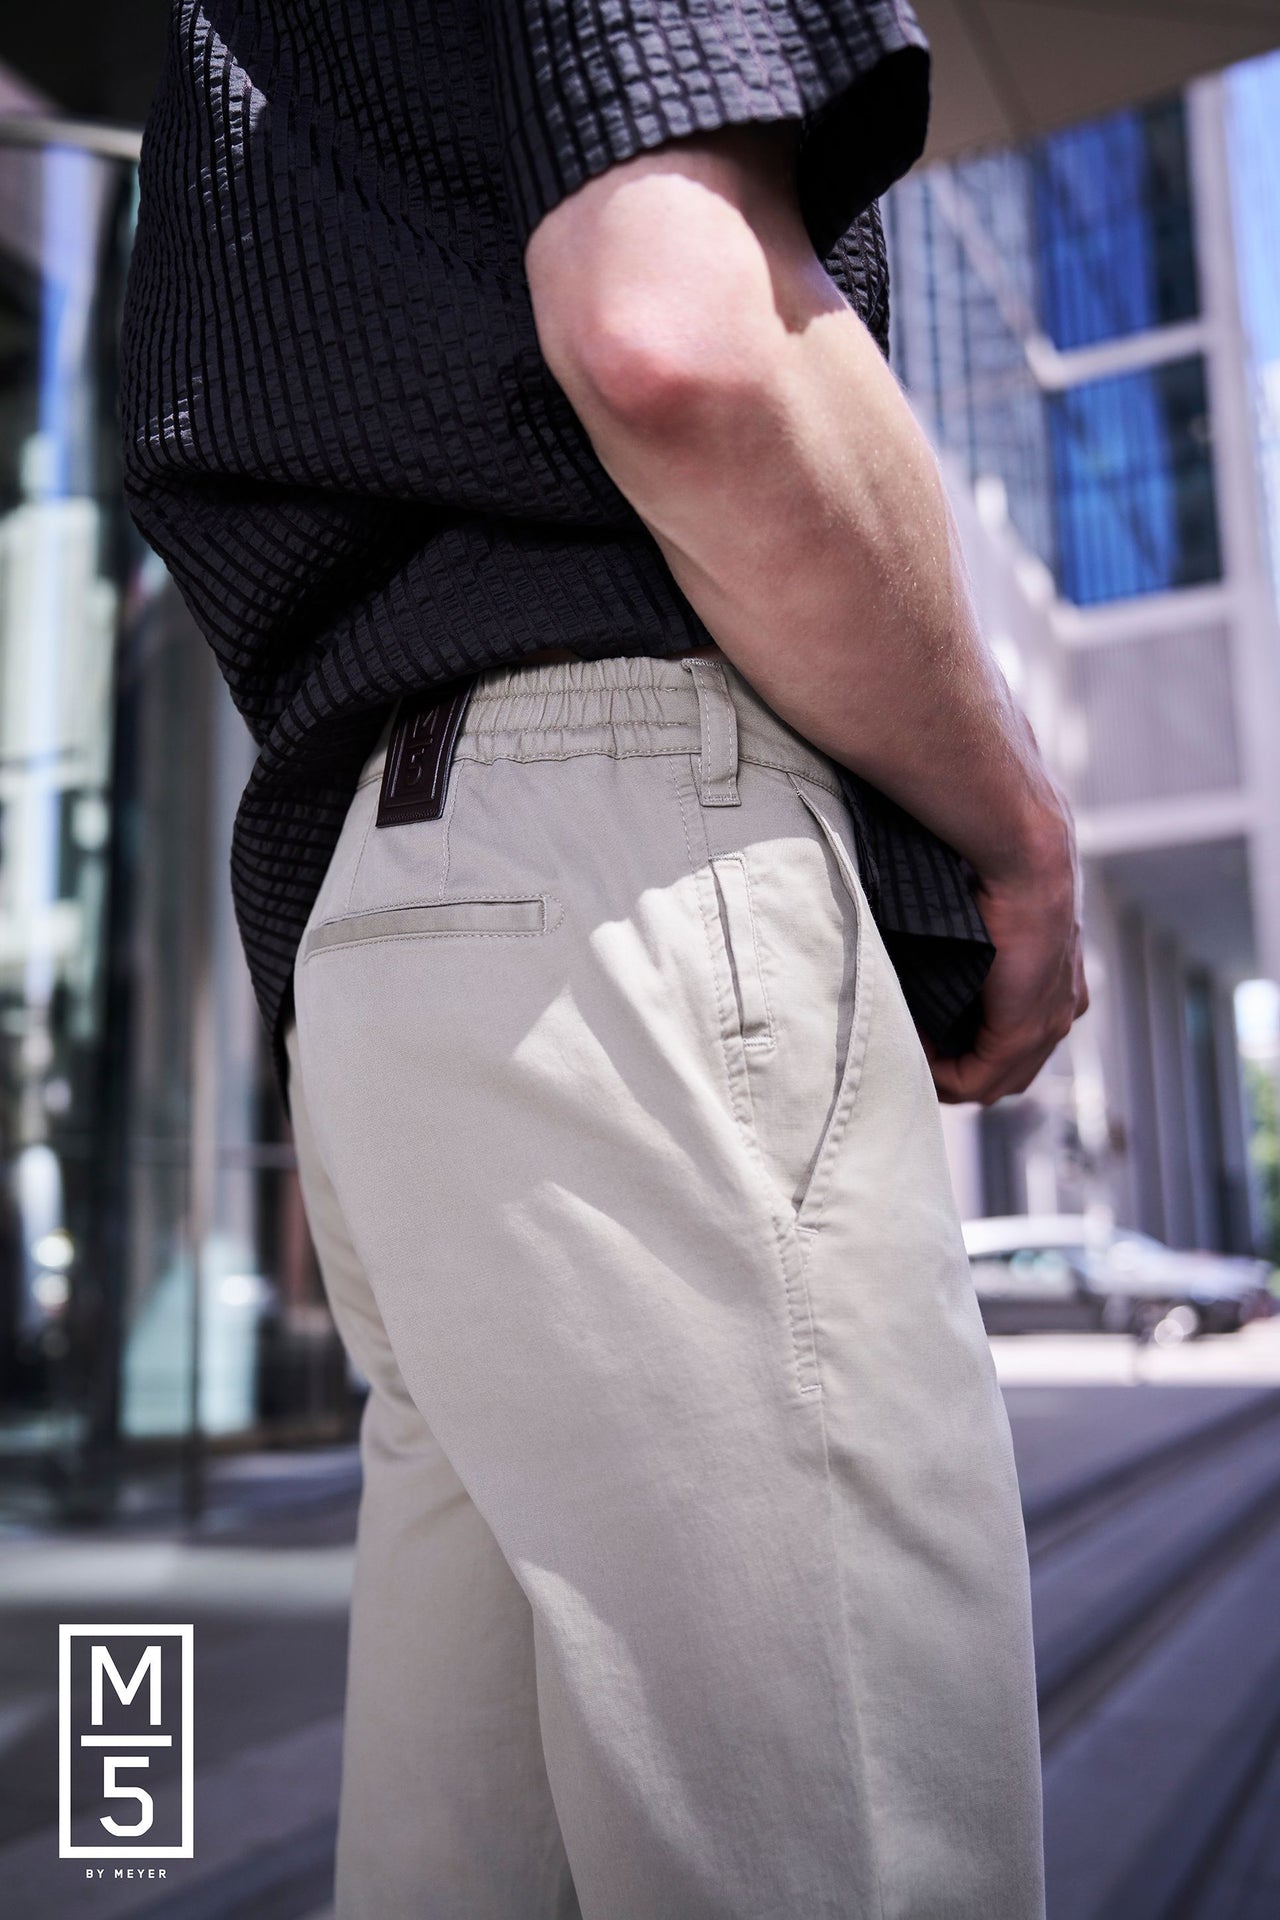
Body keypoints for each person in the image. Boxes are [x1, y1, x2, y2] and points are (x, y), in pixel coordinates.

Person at [120, 2, 1085, 1913]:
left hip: (390, 919)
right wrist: (1017, 824)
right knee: (855, 1856)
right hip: (634, 855)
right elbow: (673, 332)